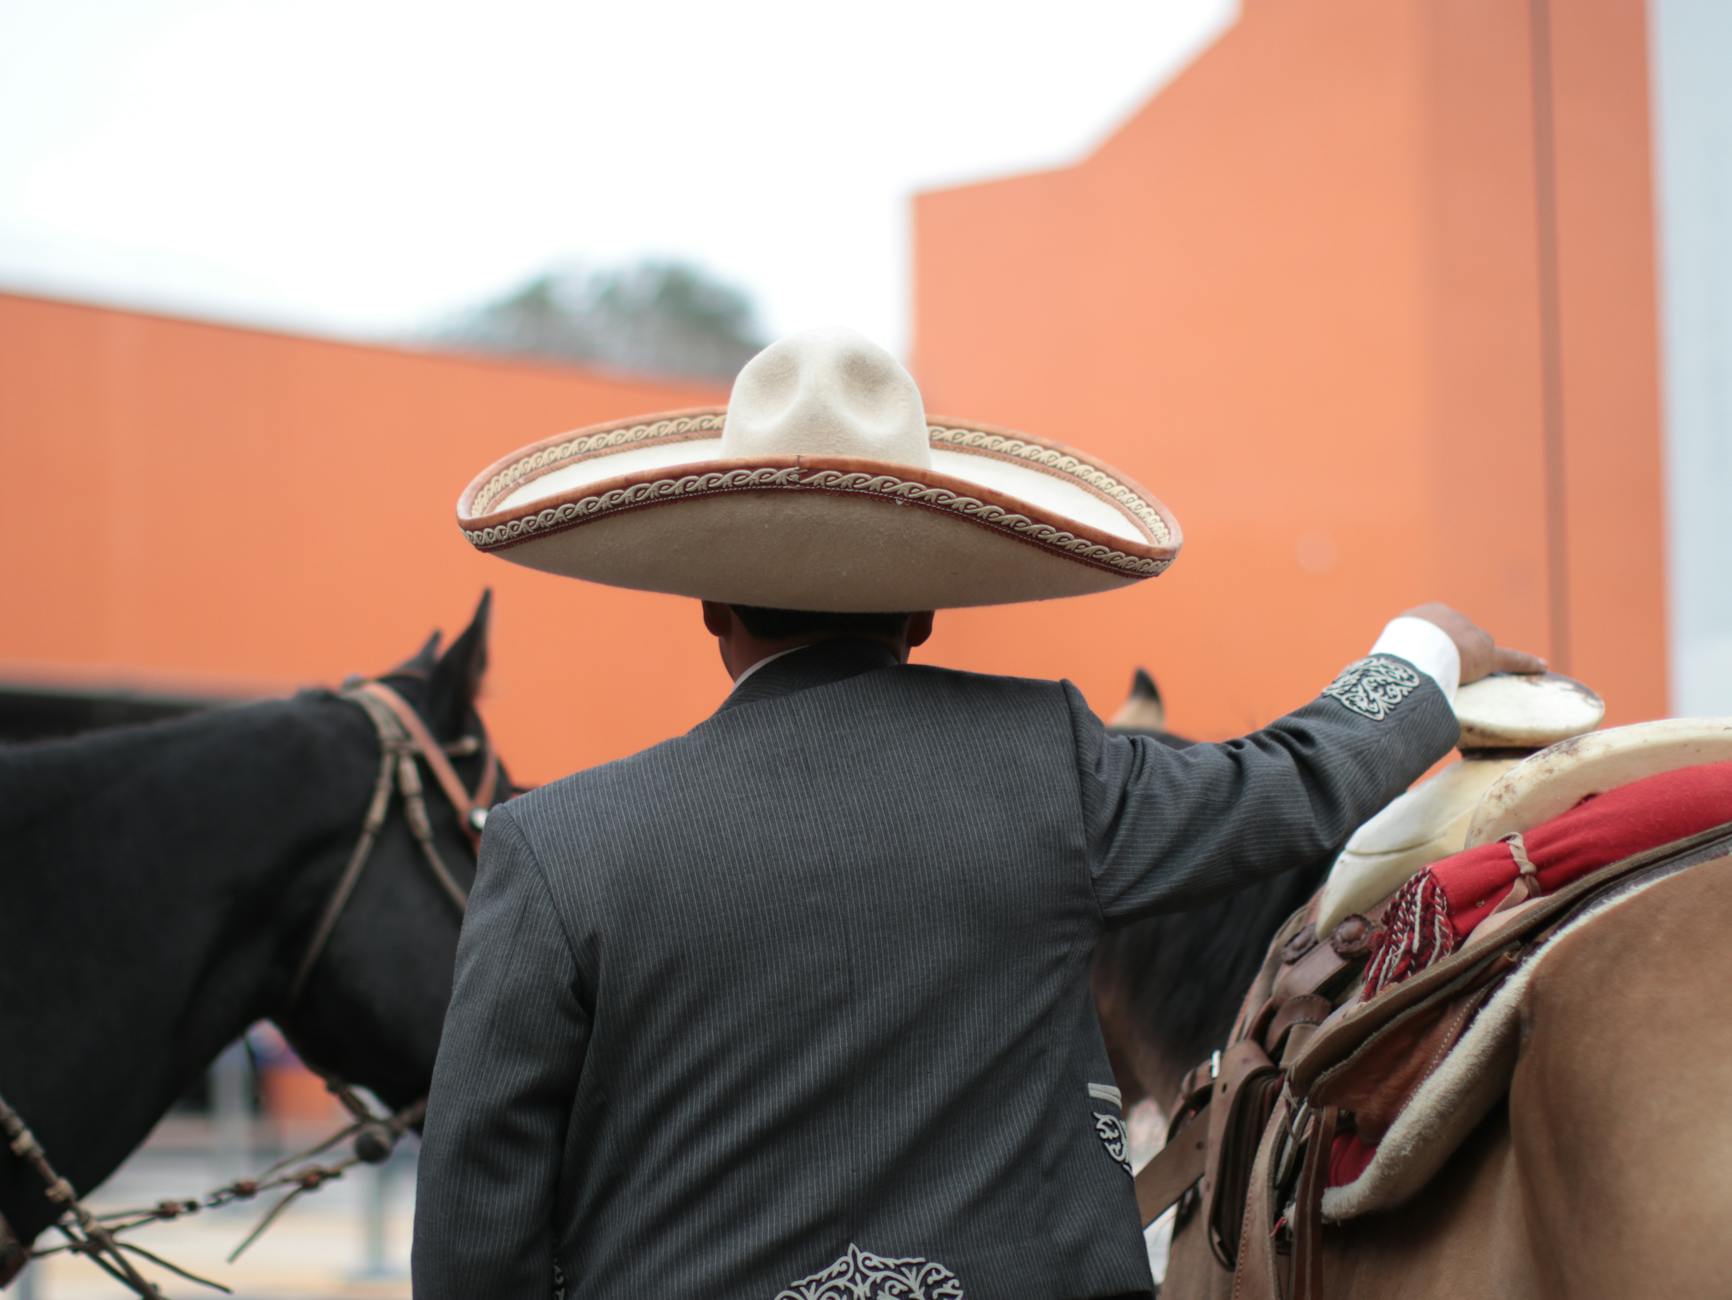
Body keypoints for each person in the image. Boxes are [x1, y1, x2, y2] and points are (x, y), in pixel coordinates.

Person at [413, 328, 1540, 1298]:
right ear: (927, 611)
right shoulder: (1048, 765)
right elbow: (1290, 785)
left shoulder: (551, 847)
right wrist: (1424, 655)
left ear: (708, 603)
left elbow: (473, 1243)